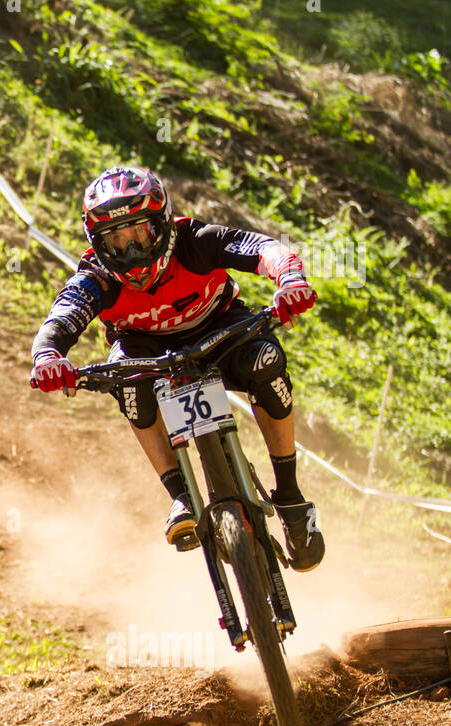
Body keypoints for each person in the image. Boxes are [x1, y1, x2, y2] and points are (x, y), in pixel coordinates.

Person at [29, 166, 325, 570]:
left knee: (266, 361)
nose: (132, 253)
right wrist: (48, 357)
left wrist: (289, 277)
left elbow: (262, 247)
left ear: (164, 225)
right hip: (145, 350)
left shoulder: (195, 242)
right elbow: (58, 322)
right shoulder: (96, 279)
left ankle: (290, 497)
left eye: (140, 235)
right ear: (96, 245)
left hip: (220, 328)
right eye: (116, 242)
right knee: (129, 384)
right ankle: (180, 494)